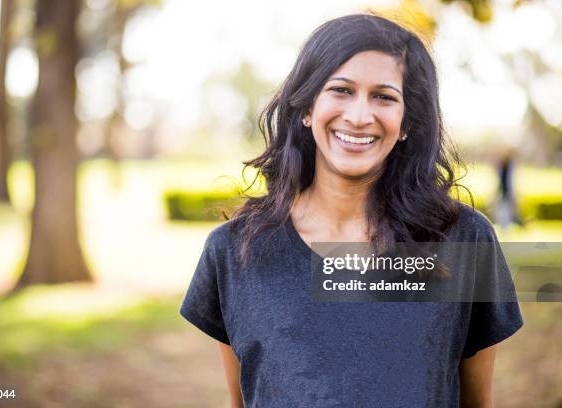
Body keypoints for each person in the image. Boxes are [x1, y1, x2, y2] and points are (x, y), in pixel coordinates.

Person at [180, 13, 524, 408]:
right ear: (307, 107)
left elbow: (477, 402)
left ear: (407, 121)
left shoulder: (462, 240)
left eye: (384, 96)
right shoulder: (234, 251)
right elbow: (244, 398)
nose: (360, 117)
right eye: (341, 90)